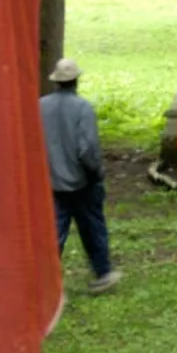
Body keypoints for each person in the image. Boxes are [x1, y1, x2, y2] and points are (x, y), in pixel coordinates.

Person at [40, 58, 119, 293]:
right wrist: (97, 173)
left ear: (56, 81)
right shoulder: (83, 108)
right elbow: (87, 150)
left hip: (51, 182)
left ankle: (45, 281)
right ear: (76, 81)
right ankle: (103, 273)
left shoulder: (40, 106)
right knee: (93, 228)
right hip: (81, 182)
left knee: (54, 233)